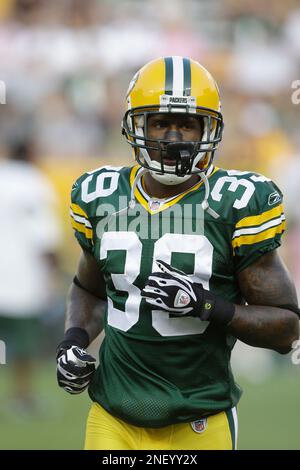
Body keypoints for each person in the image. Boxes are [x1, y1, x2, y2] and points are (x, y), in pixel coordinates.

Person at [56, 56, 299, 450]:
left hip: (200, 418)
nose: (172, 138)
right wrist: (73, 340)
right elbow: (90, 288)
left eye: (187, 124)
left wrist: (206, 306)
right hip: (112, 416)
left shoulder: (235, 203)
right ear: (137, 125)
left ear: (209, 129)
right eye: (160, 122)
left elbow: (287, 329)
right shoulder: (100, 196)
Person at [0, 137, 61, 415]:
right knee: (24, 346)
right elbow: (45, 233)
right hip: (22, 277)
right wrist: (54, 271)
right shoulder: (34, 182)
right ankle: (22, 398)